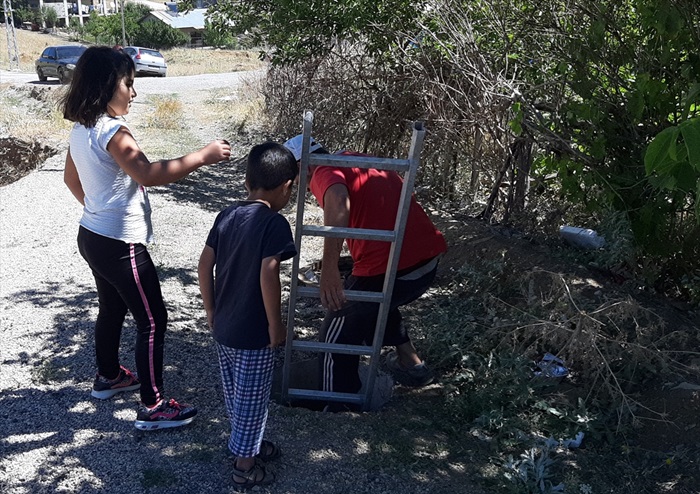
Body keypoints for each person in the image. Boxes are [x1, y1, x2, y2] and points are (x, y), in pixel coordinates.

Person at [62, 46, 231, 430]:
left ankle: (108, 376)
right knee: (153, 320)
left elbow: (72, 180)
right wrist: (202, 156)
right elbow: (149, 174)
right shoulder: (113, 131)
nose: (133, 92)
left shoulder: (81, 128)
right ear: (108, 85)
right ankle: (154, 406)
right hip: (119, 245)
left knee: (112, 308)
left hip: (92, 235)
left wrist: (99, 211)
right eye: (128, 83)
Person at [283, 135, 448, 407]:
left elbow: (337, 198)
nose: (300, 185)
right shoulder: (357, 159)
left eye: (296, 178)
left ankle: (336, 403)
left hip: (394, 266)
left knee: (336, 331)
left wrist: (330, 269)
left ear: (303, 165)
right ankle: (412, 363)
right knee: (373, 300)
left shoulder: (323, 169)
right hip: (424, 262)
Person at [197, 142, 298, 489]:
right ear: (287, 186)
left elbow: (204, 264)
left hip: (223, 327)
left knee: (237, 396)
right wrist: (276, 324)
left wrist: (210, 310)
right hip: (254, 333)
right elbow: (268, 272)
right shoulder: (274, 224)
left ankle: (249, 446)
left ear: (246, 182)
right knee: (253, 402)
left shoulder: (225, 215)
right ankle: (244, 466)